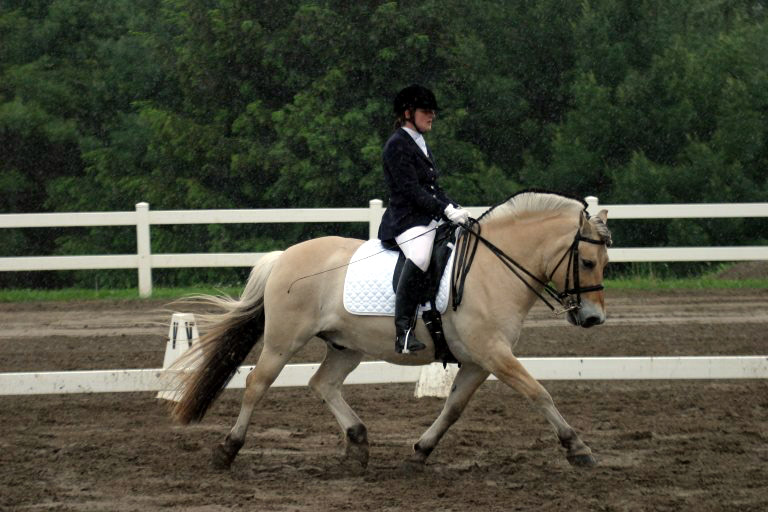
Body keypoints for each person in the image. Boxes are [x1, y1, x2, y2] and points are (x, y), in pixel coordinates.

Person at [378, 84, 470, 354]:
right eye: (426, 111)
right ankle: (403, 332)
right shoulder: (397, 145)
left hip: (426, 216)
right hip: (406, 219)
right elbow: (411, 190)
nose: (432, 116)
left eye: (433, 111)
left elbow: (432, 188)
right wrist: (444, 211)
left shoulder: (418, 142)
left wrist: (453, 207)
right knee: (419, 257)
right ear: (408, 113)